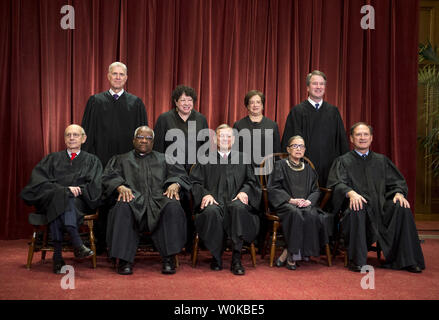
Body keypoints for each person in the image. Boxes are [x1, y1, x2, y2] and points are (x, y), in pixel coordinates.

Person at [327, 122, 425, 273]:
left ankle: (407, 260)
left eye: (366, 134)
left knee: (401, 207)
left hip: (381, 207)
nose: (362, 137)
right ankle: (357, 261)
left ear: (371, 138)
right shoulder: (343, 161)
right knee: (357, 207)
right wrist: (351, 193)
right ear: (352, 139)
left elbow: (397, 182)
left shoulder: (382, 161)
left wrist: (399, 192)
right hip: (359, 208)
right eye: (358, 135)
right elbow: (337, 183)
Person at [102, 126, 191, 275]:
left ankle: (168, 258)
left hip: (159, 200)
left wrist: (175, 184)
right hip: (133, 200)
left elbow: (181, 176)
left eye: (148, 138)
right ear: (133, 140)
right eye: (140, 137)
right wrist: (119, 186)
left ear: (153, 142)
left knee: (172, 205)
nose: (144, 140)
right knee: (122, 206)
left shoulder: (166, 159)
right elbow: (107, 178)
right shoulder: (121, 159)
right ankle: (124, 260)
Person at [81, 61, 148, 254]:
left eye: (121, 74)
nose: (118, 77)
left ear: (126, 78)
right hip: (101, 162)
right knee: (104, 203)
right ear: (108, 76)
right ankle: (102, 245)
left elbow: (143, 137)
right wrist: (91, 163)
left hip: (129, 164)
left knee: (126, 202)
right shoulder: (95, 101)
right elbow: (88, 135)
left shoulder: (136, 103)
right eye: (114, 74)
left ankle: (127, 244)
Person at [21, 125, 103, 274]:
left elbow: (95, 187)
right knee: (61, 197)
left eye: (75, 135)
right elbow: (38, 183)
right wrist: (64, 190)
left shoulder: (92, 161)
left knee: (64, 200)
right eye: (68, 135)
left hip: (79, 202)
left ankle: (57, 256)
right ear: (64, 139)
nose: (71, 138)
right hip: (52, 199)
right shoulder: (52, 159)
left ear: (83, 139)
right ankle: (77, 243)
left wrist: (72, 192)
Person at [189, 124, 261, 275]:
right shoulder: (205, 159)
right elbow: (195, 183)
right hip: (214, 201)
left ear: (233, 140)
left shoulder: (243, 158)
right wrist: (205, 194)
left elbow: (252, 182)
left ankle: (236, 257)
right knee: (211, 211)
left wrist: (244, 192)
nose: (225, 139)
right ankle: (216, 256)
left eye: (228, 136)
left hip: (235, 201)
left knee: (239, 208)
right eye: (221, 136)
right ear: (215, 139)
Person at [267, 135, 329, 270]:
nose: (298, 149)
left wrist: (308, 201)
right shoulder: (279, 165)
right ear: (288, 149)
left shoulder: (309, 169)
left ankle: (288, 252)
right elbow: (273, 188)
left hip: (305, 204)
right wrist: (291, 200)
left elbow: (316, 190)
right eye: (295, 146)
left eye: (301, 146)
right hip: (286, 204)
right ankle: (293, 255)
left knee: (312, 214)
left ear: (305, 150)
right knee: (296, 213)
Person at [281, 70, 349, 187]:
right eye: (315, 83)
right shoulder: (297, 112)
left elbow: (341, 141)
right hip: (304, 168)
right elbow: (289, 143)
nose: (318, 87)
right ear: (307, 87)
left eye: (321, 84)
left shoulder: (333, 112)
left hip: (330, 168)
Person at [153, 85, 208, 172]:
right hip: (171, 171)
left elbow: (205, 148)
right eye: (183, 100)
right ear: (176, 102)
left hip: (195, 171)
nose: (186, 103)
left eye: (190, 100)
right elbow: (157, 148)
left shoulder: (201, 119)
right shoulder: (164, 119)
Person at [233, 90, 281, 168]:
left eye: (258, 102)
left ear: (262, 105)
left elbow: (277, 152)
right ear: (247, 106)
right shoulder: (238, 125)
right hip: (244, 170)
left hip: (266, 171)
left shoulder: (272, 125)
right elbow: (234, 151)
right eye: (252, 102)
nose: (255, 105)